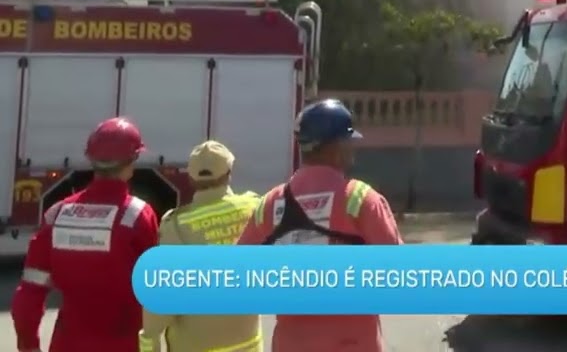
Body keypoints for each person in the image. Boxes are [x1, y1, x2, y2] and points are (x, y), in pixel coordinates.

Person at [238, 99, 402, 352]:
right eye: (350, 142)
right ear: (336, 146)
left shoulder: (270, 204)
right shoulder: (360, 200)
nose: (353, 149)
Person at [12, 118, 159, 352]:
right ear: (132, 162)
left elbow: (29, 295)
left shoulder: (57, 214)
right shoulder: (138, 215)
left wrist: (29, 346)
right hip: (124, 344)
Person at [139, 140, 262, 352]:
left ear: (191, 179)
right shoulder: (254, 207)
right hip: (248, 344)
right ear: (228, 173)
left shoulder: (175, 225)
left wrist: (149, 339)